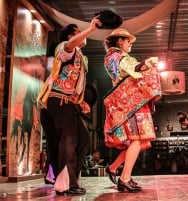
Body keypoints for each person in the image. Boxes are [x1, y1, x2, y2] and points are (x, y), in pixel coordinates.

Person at [37, 17, 102, 195]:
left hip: (67, 102)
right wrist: (90, 29)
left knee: (83, 139)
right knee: (69, 139)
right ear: (71, 36)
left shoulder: (80, 57)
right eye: (77, 33)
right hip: (57, 99)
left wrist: (81, 102)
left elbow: (72, 84)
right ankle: (65, 183)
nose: (80, 35)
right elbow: (70, 44)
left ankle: (69, 178)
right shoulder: (65, 48)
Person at [103, 28, 161, 192]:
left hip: (125, 101)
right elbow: (134, 69)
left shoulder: (111, 57)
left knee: (141, 142)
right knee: (137, 139)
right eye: (128, 41)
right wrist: (148, 63)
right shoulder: (119, 56)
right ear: (120, 41)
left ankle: (113, 168)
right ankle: (125, 178)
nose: (130, 44)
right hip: (131, 101)